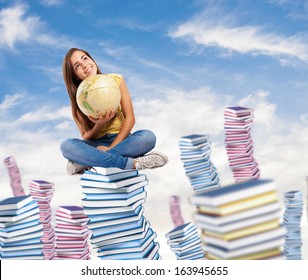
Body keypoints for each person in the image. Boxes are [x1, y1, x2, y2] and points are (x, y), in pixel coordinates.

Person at [60, 48, 168, 175]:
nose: (84, 65)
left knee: (148, 137)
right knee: (66, 145)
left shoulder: (115, 80)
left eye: (85, 58)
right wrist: (99, 124)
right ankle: (134, 164)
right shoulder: (79, 98)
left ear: (91, 59)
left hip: (123, 140)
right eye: (77, 66)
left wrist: (111, 148)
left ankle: (85, 161)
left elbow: (130, 119)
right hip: (97, 144)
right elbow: (86, 136)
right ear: (74, 75)